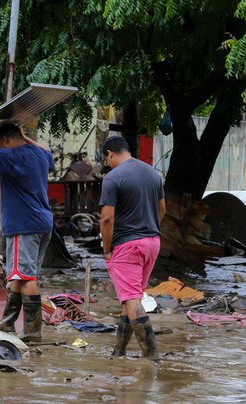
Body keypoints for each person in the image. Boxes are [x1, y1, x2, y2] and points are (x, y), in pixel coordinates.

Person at [0, 112, 54, 342]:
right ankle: (9, 321)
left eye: (1, 144)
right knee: (18, 275)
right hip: (42, 223)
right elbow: (46, 153)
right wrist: (24, 136)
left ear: (5, 142)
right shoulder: (39, 155)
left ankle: (31, 333)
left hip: (23, 224)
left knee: (27, 277)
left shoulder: (11, 156)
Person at [99, 136, 166, 360]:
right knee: (131, 297)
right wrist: (150, 228)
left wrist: (107, 249)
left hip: (127, 245)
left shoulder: (112, 178)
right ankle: (119, 351)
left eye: (106, 159)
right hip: (152, 242)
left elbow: (107, 219)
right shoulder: (152, 174)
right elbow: (162, 209)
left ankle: (152, 357)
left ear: (110, 153)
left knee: (132, 300)